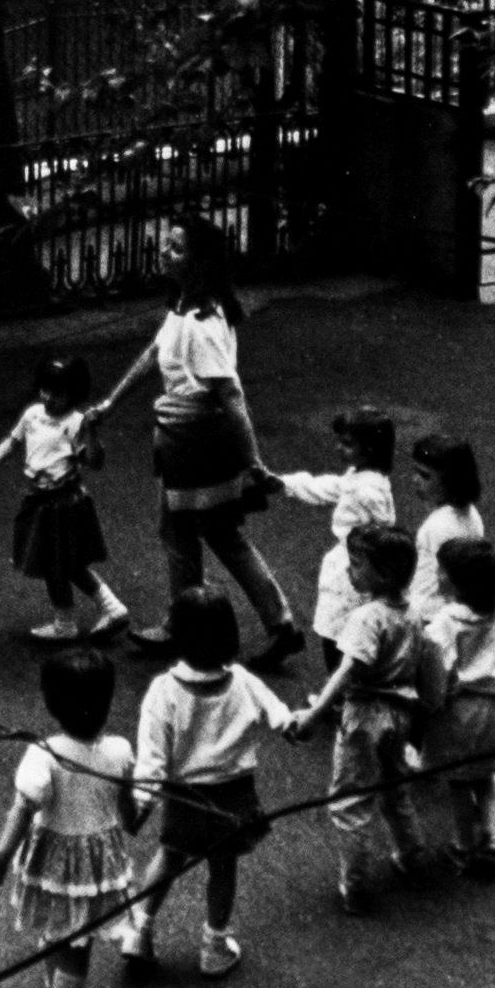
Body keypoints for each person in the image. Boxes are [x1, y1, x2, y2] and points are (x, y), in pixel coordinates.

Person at [94, 218, 301, 667]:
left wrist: (253, 460)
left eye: (176, 248)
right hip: (187, 438)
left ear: (199, 261)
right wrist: (111, 403)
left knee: (185, 532)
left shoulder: (201, 323)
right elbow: (154, 352)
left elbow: (230, 393)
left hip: (194, 441)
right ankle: (274, 622)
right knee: (208, 531)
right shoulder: (186, 308)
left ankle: (185, 625)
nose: (164, 252)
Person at [115, 584, 296, 981]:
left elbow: (152, 760)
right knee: (223, 867)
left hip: (184, 796)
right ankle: (214, 946)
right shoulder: (244, 681)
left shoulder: (163, 691)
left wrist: (142, 801)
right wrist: (296, 724)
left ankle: (139, 931)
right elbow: (282, 717)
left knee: (169, 856)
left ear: (177, 635)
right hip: (233, 796)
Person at [0, 641, 141, 988]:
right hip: (94, 862)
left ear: (51, 704)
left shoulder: (44, 753)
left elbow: (23, 807)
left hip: (53, 857)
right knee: (78, 943)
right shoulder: (120, 751)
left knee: (58, 929)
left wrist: (1, 857)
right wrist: (143, 812)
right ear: (107, 701)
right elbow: (130, 814)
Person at [292, 524, 434, 911]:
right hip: (400, 714)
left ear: (383, 574)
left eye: (356, 564)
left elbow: (348, 670)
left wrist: (315, 713)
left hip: (365, 715)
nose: (349, 571)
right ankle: (411, 854)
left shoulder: (366, 617)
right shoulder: (414, 612)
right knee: (394, 788)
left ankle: (355, 885)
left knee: (351, 802)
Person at [0, 353, 130, 644]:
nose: (48, 397)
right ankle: (106, 609)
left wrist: (92, 431)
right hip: (40, 500)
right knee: (62, 563)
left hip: (65, 503)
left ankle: (71, 621)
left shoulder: (76, 423)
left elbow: (95, 461)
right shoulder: (32, 414)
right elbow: (12, 441)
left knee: (58, 564)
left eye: (57, 393)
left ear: (73, 394)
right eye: (45, 389)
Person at [268, 405, 397, 668]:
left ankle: (339, 687)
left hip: (354, 568)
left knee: (340, 637)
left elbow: (382, 528)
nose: (339, 447)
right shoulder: (361, 477)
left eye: (347, 444)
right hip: (352, 563)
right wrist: (287, 484)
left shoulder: (367, 491)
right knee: (339, 633)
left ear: (370, 449)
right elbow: (332, 487)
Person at [417, 536, 495, 877]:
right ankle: (493, 836)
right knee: (485, 772)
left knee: (458, 780)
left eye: (442, 571)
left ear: (457, 583)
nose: (437, 575)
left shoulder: (445, 623)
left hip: (458, 710)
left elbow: (439, 673)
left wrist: (429, 705)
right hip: (491, 707)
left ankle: (462, 845)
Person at [406, 432, 487, 613]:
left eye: (425, 475)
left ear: (451, 481)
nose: (415, 480)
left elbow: (428, 582)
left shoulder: (438, 526)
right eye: (415, 472)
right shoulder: (471, 514)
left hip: (429, 611)